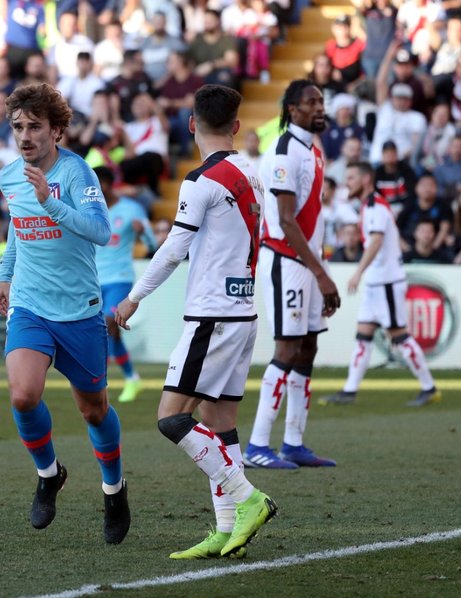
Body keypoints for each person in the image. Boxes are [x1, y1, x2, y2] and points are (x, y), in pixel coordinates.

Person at [115, 83, 276, 560]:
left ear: (191, 125)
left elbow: (173, 249)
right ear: (237, 126)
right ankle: (229, 530)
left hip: (212, 317)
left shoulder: (201, 181)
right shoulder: (253, 171)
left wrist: (134, 297)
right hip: (243, 313)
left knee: (171, 418)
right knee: (218, 420)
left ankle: (247, 498)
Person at [0, 82, 130, 544]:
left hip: (79, 310)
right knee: (23, 395)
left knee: (93, 411)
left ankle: (114, 489)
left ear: (57, 130)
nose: (25, 135)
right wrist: (5, 274)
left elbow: (99, 231)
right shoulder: (9, 176)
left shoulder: (78, 175)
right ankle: (49, 474)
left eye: (35, 127)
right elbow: (17, 228)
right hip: (31, 305)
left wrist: (50, 201)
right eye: (18, 127)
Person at [244, 79, 340, 470]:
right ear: (292, 109)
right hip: (286, 261)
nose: (320, 107)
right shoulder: (284, 151)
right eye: (311, 102)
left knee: (308, 347)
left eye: (321, 100)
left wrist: (319, 266)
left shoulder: (311, 149)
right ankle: (256, 445)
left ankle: (294, 442)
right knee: (286, 348)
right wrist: (321, 273)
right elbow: (285, 220)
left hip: (307, 261)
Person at [320, 163, 440, 408]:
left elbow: (376, 241)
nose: (347, 182)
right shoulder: (370, 206)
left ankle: (429, 387)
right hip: (378, 283)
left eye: (351, 177)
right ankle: (349, 391)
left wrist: (357, 272)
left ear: (366, 180)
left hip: (386, 281)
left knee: (399, 336)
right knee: (363, 336)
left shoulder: (376, 206)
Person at [93, 166, 155, 404]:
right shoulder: (89, 209)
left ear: (108, 185)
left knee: (110, 323)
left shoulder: (131, 209)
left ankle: (129, 377)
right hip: (92, 280)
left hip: (119, 278)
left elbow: (151, 243)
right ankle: (126, 379)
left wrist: (143, 233)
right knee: (103, 331)